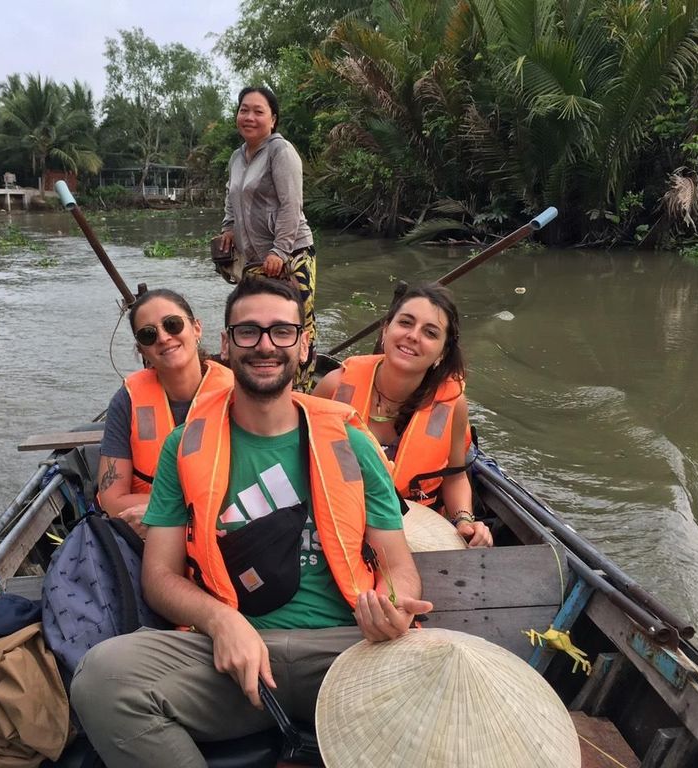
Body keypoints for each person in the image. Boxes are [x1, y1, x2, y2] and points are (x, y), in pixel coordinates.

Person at [70, 277, 432, 767]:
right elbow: (158, 578)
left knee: (450, 672)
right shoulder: (186, 447)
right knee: (102, 679)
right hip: (228, 658)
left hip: (348, 650)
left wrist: (391, 606)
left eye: (282, 331)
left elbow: (397, 564)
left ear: (304, 346)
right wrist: (221, 622)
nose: (265, 345)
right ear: (224, 344)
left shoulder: (352, 441)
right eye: (248, 332)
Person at [313, 284, 493, 547]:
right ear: (386, 329)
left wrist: (464, 520)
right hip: (337, 521)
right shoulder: (335, 386)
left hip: (416, 532)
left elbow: (454, 476)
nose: (413, 336)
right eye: (406, 323)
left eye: (430, 333)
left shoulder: (452, 406)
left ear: (441, 353)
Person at [96, 289, 233, 537]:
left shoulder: (236, 394)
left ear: (196, 328)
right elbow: (112, 500)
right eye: (149, 335)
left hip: (221, 531)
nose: (163, 337)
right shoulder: (126, 401)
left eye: (173, 324)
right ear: (141, 350)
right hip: (148, 537)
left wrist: (170, 512)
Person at [218, 86, 317, 392]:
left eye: (258, 111)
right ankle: (255, 387)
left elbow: (291, 204)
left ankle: (300, 391)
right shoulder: (237, 157)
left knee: (295, 325)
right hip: (254, 258)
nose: (249, 117)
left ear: (273, 119)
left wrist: (280, 250)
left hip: (291, 254)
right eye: (243, 110)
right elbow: (231, 197)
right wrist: (228, 227)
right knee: (252, 322)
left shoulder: (281, 151)